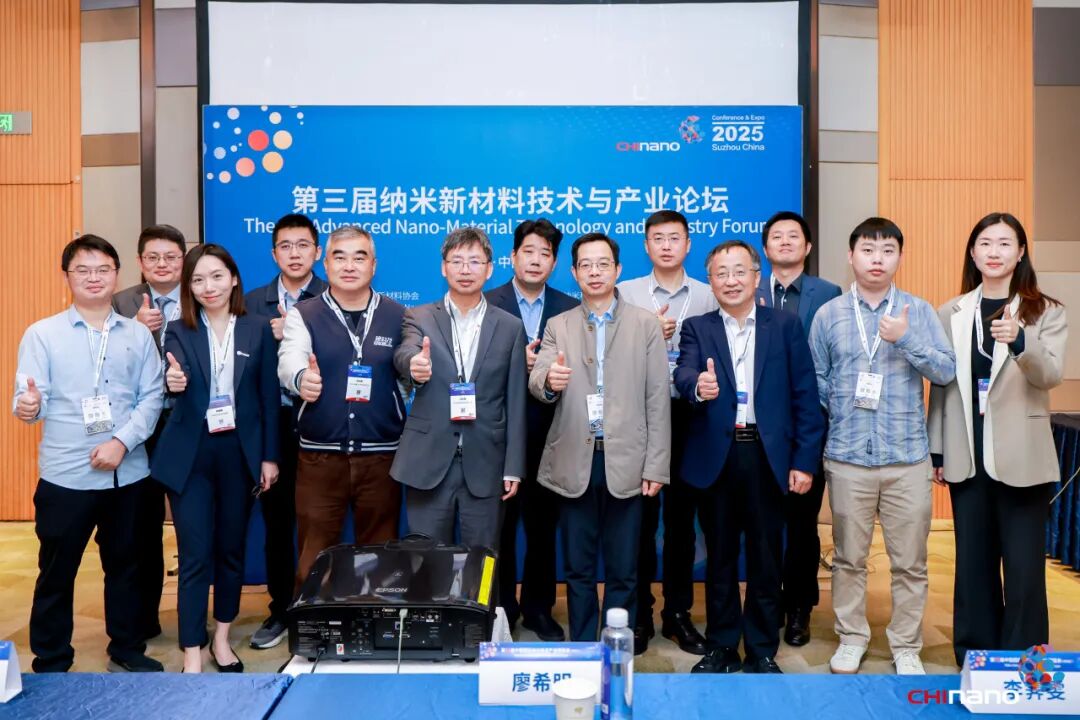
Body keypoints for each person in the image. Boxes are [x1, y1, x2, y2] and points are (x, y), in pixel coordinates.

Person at [809, 217, 956, 675]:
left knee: (910, 563)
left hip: (906, 458)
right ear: (851, 256)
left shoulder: (919, 311)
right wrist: (841, 411)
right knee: (848, 559)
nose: (877, 259)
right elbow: (816, 380)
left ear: (899, 258)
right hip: (848, 457)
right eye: (868, 250)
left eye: (888, 250)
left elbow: (946, 371)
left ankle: (906, 645)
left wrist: (905, 339)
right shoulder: (829, 314)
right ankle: (851, 638)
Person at [14, 235, 163, 673]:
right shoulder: (42, 334)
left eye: (102, 270)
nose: (93, 278)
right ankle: (51, 657)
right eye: (83, 270)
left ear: (117, 275)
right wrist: (27, 407)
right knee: (56, 571)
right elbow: (29, 398)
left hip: (128, 474)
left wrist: (121, 442)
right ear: (67, 277)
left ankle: (127, 648)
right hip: (67, 476)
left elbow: (152, 397)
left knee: (126, 567)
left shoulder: (138, 334)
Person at [674, 240, 823, 674]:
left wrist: (804, 461)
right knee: (719, 556)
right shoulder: (698, 327)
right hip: (716, 458)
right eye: (721, 273)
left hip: (767, 456)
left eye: (739, 271)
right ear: (711, 281)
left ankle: (761, 649)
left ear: (756, 277)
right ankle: (722, 646)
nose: (731, 280)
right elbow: (683, 372)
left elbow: (805, 397)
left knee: (765, 556)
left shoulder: (785, 326)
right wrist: (697, 386)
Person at [927, 212, 1066, 666]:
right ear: (972, 252)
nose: (994, 252)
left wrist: (1022, 342)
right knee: (973, 564)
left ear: (1021, 252)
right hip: (967, 454)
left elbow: (1050, 375)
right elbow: (943, 385)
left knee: (1024, 570)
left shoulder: (1046, 311)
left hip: (1023, 459)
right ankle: (977, 655)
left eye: (1005, 243)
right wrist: (937, 448)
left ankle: (1024, 660)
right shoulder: (951, 312)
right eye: (985, 243)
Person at [529, 232, 671, 642]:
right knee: (578, 567)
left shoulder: (645, 324)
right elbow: (538, 380)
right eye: (586, 265)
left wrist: (656, 465)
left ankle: (614, 647)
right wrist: (550, 381)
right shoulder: (558, 325)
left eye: (603, 264)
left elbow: (658, 398)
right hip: (575, 459)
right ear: (574, 273)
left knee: (624, 568)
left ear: (618, 270)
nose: (594, 272)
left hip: (628, 461)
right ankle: (583, 646)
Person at [152, 244, 280, 673]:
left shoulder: (257, 329)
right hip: (192, 455)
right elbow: (175, 377)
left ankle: (221, 639)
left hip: (239, 454)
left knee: (230, 551)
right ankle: (192, 648)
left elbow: (267, 398)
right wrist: (173, 380)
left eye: (216, 276)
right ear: (189, 287)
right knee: (194, 555)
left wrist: (269, 457)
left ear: (234, 279)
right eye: (198, 280)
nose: (208, 287)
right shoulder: (178, 329)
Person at [278, 225, 406, 587]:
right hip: (320, 458)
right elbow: (289, 358)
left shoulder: (398, 315)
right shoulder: (304, 314)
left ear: (373, 265)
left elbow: (406, 370)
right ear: (326, 263)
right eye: (340, 257)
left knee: (381, 560)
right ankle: (314, 623)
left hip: (382, 458)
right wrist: (301, 378)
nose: (349, 266)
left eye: (359, 257)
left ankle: (373, 620)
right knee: (314, 559)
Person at [616, 210, 717, 655]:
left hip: (693, 418)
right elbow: (610, 353)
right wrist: (646, 334)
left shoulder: (709, 294)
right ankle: (639, 614)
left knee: (681, 524)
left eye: (675, 238)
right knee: (639, 521)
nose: (667, 246)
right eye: (658, 238)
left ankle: (678, 614)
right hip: (639, 417)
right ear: (646, 245)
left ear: (688, 244)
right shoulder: (625, 293)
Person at [392, 226, 526, 553]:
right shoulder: (419, 316)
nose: (466, 270)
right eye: (457, 261)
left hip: (486, 463)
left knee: (482, 560)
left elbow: (516, 401)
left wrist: (513, 466)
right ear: (443, 267)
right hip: (428, 461)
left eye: (475, 261)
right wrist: (414, 365)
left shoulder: (510, 327)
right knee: (424, 560)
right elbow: (405, 352)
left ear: (490, 269)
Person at [485, 219, 578, 641]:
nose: (536, 260)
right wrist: (512, 365)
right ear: (513, 257)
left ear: (554, 263)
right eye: (529, 251)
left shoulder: (569, 307)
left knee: (543, 528)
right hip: (497, 434)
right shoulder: (488, 302)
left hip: (550, 434)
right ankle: (501, 606)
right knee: (499, 528)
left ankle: (540, 608)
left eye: (545, 253)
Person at [755, 211, 841, 647]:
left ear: (808, 247)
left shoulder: (829, 294)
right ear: (765, 248)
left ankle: (800, 608)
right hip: (758, 428)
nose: (785, 242)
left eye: (794, 236)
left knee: (803, 526)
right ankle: (767, 605)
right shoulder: (749, 290)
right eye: (777, 236)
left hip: (808, 423)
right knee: (764, 524)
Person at [243, 213, 327, 650]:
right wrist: (270, 337)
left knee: (320, 524)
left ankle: (318, 609)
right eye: (285, 246)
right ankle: (280, 610)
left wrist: (294, 332)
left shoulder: (333, 297)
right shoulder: (250, 302)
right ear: (274, 253)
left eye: (303, 245)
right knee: (277, 525)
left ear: (318, 251)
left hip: (321, 423)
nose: (294, 254)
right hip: (272, 426)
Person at [111, 223, 187, 641]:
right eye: (153, 257)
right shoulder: (120, 302)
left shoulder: (199, 295)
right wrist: (135, 328)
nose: (162, 264)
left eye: (170, 257)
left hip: (188, 423)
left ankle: (193, 616)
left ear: (183, 260)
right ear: (140, 262)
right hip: (139, 428)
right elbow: (104, 363)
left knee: (192, 524)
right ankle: (144, 618)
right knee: (142, 526)